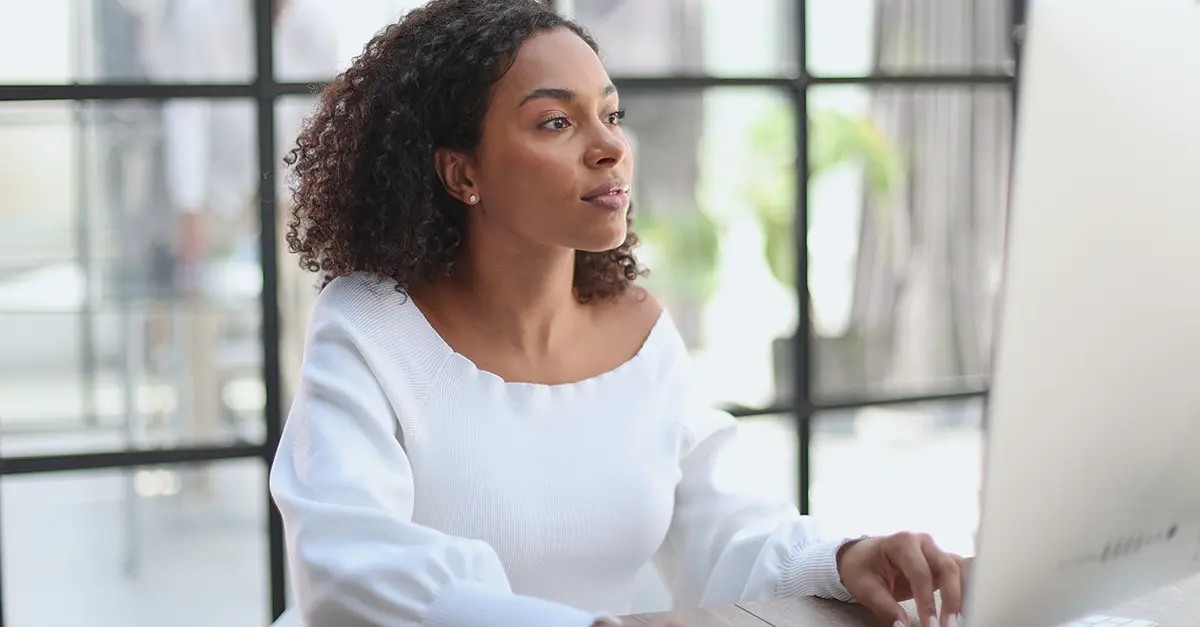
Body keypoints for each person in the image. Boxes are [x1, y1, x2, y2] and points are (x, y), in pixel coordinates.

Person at [268, 1, 969, 626]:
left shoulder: (641, 334)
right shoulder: (370, 328)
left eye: (611, 114)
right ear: (462, 173)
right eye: (555, 122)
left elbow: (727, 528)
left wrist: (845, 560)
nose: (609, 148)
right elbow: (348, 565)